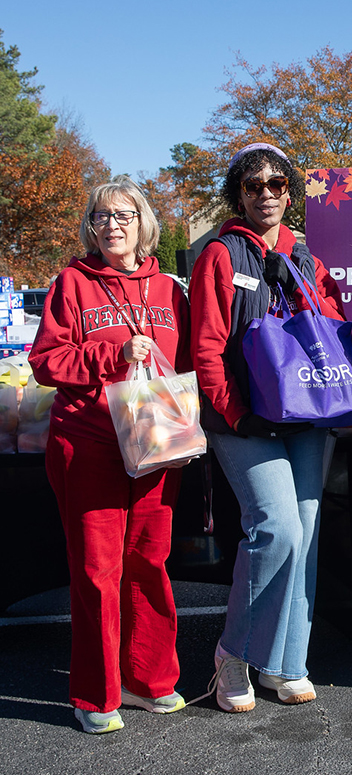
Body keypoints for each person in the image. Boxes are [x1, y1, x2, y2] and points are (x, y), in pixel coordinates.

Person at [28, 176, 191, 734]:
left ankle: (149, 680)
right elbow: (46, 361)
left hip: (155, 443)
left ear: (143, 222)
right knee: (98, 571)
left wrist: (190, 426)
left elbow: (187, 363)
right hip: (90, 441)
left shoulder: (170, 289)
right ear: (90, 227)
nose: (112, 225)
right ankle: (96, 695)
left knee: (149, 562)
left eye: (123, 215)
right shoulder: (72, 282)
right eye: (101, 217)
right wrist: (111, 352)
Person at [188, 143, 345, 712]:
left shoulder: (304, 252)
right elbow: (205, 344)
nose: (266, 194)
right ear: (240, 194)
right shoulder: (219, 254)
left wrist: (301, 291)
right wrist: (234, 410)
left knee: (304, 533)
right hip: (245, 418)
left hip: (305, 412)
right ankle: (234, 653)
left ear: (290, 192)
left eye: (277, 184)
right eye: (253, 185)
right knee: (275, 528)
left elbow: (333, 326)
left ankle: (286, 662)